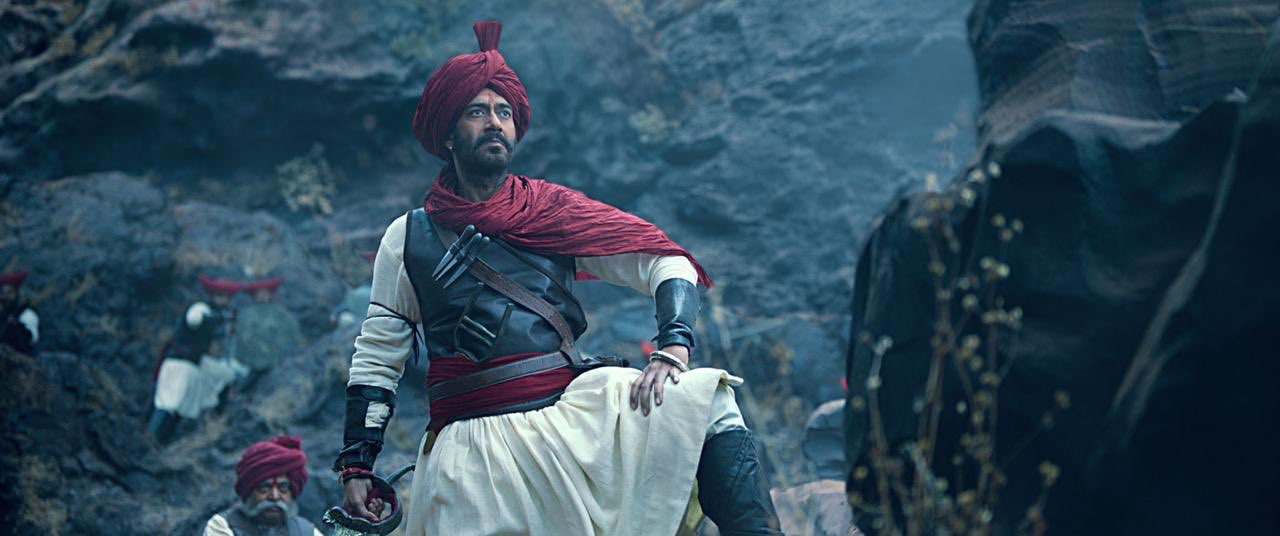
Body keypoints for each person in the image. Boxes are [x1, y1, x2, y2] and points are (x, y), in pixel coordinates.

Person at [333, 21, 781, 535]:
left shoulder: (550, 211)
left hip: (571, 418)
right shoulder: (407, 237)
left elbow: (668, 262)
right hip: (471, 450)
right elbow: (378, 359)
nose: (495, 123)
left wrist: (673, 348)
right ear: (448, 133)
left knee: (705, 401)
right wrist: (357, 465)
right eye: (477, 112)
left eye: (504, 112)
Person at [147, 274, 249, 443]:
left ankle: (216, 417)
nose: (223, 300)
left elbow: (215, 333)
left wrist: (226, 327)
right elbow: (195, 320)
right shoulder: (200, 308)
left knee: (183, 407)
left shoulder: (216, 314)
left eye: (226, 297)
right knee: (168, 404)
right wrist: (223, 318)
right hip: (178, 364)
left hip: (195, 364)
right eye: (220, 295)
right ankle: (150, 441)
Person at [205, 435, 323, 536]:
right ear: (249, 490)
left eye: (283, 488)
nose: (275, 496)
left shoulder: (306, 531)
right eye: (264, 488)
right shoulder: (222, 525)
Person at [0, 271, 38, 354]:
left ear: (16, 294)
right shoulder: (2, 313)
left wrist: (16, 325)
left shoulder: (27, 314)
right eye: (2, 293)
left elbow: (31, 339)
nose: (5, 296)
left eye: (9, 292)